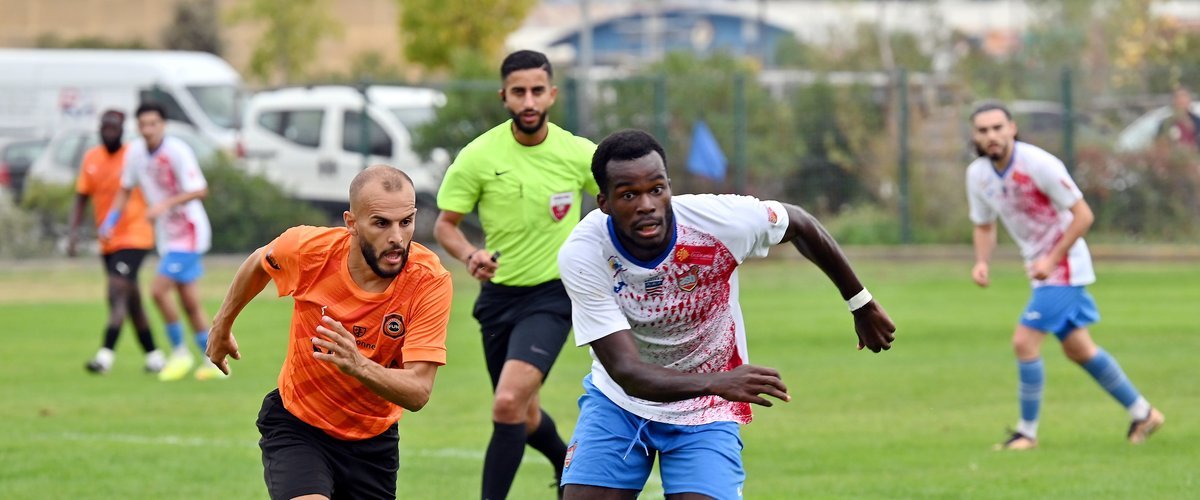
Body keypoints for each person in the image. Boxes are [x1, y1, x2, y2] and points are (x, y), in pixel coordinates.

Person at [556, 129, 897, 498]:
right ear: (603, 202)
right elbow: (627, 373)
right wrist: (718, 382)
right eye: (628, 195)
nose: (647, 205)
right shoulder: (585, 253)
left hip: (706, 413)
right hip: (620, 403)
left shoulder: (717, 221)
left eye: (656, 189)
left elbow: (799, 222)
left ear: (669, 186)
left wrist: (860, 303)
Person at [206, 165, 452, 499]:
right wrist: (222, 325)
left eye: (406, 221)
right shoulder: (310, 251)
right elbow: (258, 263)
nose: (396, 237)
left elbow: (419, 391)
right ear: (351, 223)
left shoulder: (428, 282)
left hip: (373, 444)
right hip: (298, 425)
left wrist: (357, 363)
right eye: (381, 223)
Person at [433, 50, 599, 499]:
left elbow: (619, 205)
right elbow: (445, 225)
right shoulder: (479, 156)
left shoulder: (579, 154)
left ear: (552, 95)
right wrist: (470, 255)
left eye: (537, 91)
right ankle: (571, 475)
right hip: (498, 299)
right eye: (519, 92)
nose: (529, 101)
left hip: (553, 295)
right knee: (522, 415)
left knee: (506, 402)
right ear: (504, 96)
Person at [966, 102, 1165, 450]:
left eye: (998, 127)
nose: (991, 136)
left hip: (1066, 266)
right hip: (1041, 270)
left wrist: (1052, 257)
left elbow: (1083, 216)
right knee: (1079, 350)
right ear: (975, 136)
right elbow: (984, 225)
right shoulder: (978, 175)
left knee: (1023, 342)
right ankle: (1144, 413)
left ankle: (1027, 433)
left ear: (1012, 128)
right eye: (983, 130)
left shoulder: (1039, 164)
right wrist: (982, 261)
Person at [101, 101, 219, 381]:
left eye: (153, 124)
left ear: (162, 125)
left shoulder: (177, 151)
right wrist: (111, 220)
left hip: (189, 233)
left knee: (157, 290)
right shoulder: (136, 154)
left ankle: (180, 353)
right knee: (189, 301)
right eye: (142, 125)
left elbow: (199, 190)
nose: (148, 130)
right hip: (169, 237)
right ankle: (214, 362)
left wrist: (163, 205)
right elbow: (125, 188)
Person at [67, 109, 166, 375]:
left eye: (115, 128)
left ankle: (105, 356)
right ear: (100, 129)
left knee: (116, 292)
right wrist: (73, 233)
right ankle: (155, 357)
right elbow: (81, 197)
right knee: (131, 299)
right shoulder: (92, 158)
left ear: (123, 130)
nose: (110, 131)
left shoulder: (133, 156)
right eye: (106, 127)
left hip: (136, 234)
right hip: (108, 240)